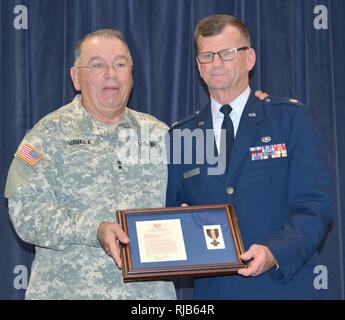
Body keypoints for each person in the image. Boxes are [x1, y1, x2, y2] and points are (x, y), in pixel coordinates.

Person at [166, 15, 333, 299]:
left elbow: (315, 206)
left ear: (249, 58)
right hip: (214, 293)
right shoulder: (181, 135)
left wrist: (274, 252)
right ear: (198, 66)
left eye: (227, 53)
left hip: (284, 286)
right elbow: (172, 213)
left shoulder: (289, 120)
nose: (216, 64)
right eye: (207, 56)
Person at [4, 29, 176, 299]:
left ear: (131, 74)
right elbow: (26, 213)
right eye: (98, 65)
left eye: (120, 64)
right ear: (76, 77)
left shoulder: (160, 135)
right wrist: (94, 230)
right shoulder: (46, 135)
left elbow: (189, 201)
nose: (111, 74)